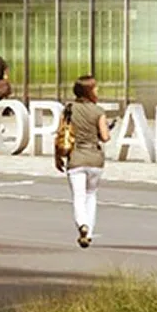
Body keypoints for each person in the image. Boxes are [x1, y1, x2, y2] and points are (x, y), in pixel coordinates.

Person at [55, 74, 110, 248]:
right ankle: (90, 233)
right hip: (95, 159)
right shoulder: (99, 111)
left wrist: (57, 157)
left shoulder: (68, 109)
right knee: (91, 195)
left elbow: (60, 134)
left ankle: (82, 225)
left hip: (76, 159)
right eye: (95, 88)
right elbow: (105, 137)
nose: (98, 91)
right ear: (88, 91)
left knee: (78, 197)